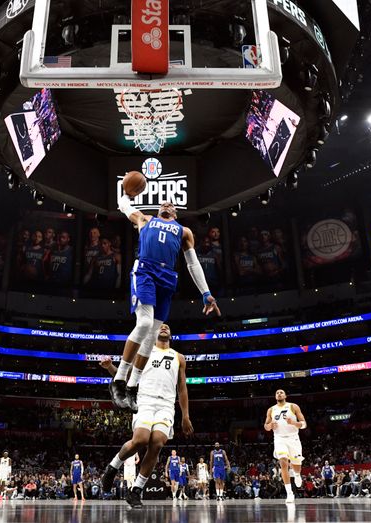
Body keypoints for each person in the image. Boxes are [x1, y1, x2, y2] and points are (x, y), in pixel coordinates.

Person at [112, 190, 220, 411]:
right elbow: (123, 206)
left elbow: (193, 263)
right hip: (145, 272)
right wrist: (125, 191)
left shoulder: (184, 231)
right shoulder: (145, 219)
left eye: (171, 204)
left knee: (152, 335)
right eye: (164, 202)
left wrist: (205, 292)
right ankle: (118, 381)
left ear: (176, 213)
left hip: (168, 278)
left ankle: (133, 387)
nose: (167, 204)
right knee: (143, 324)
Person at [100, 323, 193, 508]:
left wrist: (185, 416)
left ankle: (136, 491)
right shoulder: (144, 351)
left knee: (157, 442)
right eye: (161, 326)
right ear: (155, 332)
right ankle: (112, 468)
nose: (164, 327)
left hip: (166, 404)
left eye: (167, 326)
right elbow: (126, 378)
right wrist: (111, 367)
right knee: (141, 439)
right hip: (144, 400)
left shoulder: (179, 357)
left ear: (171, 334)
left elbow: (182, 389)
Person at [264, 389, 307, 503]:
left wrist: (293, 423)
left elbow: (304, 424)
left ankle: (297, 475)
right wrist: (269, 426)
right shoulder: (271, 410)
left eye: (281, 392)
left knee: (296, 465)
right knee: (283, 462)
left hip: (293, 438)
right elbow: (266, 426)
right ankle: (289, 493)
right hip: (279, 439)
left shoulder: (293, 406)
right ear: (275, 396)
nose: (279, 393)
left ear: (285, 395)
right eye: (277, 392)